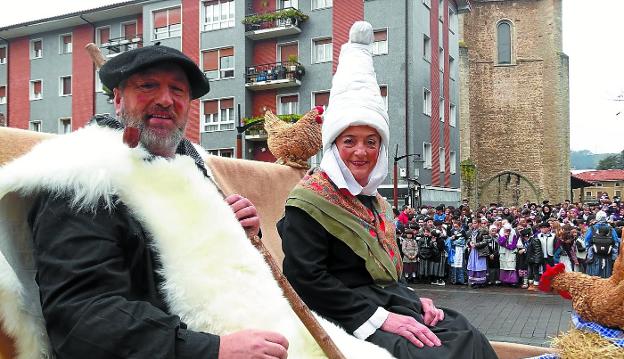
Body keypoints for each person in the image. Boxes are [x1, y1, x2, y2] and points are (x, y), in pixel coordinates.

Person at [5, 45, 293, 358]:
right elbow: (85, 319)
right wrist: (211, 350)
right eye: (148, 85)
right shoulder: (84, 179)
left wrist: (230, 233)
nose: (166, 100)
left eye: (178, 90)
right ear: (117, 99)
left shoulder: (189, 171)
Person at [277, 21, 497, 359]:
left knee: (466, 333)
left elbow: (380, 276)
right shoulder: (307, 202)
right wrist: (382, 319)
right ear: (334, 146)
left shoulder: (374, 201)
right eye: (349, 141)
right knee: (434, 354)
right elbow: (306, 279)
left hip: (388, 302)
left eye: (371, 141)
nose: (361, 152)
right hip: (343, 316)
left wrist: (411, 300)